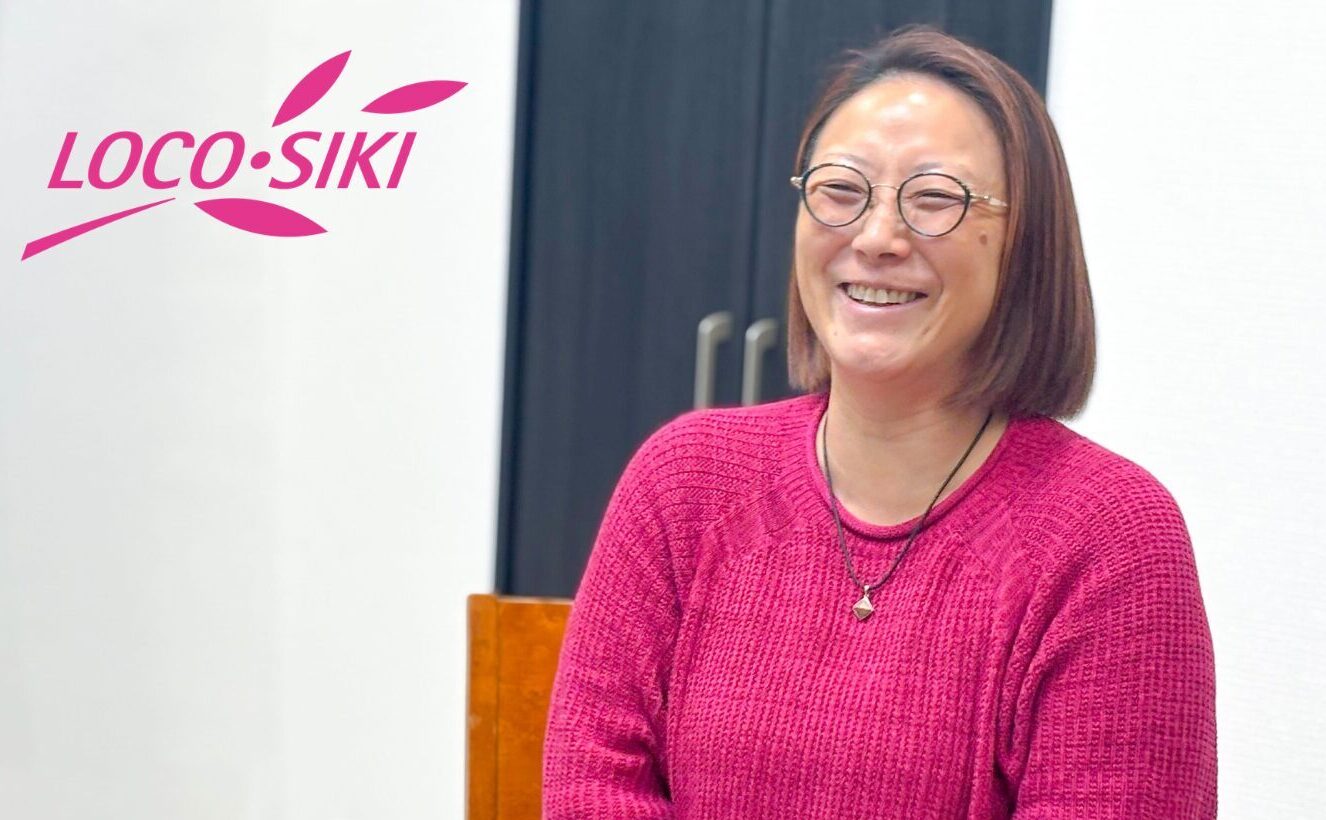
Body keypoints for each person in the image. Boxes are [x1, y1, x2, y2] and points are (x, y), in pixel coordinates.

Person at [542, 26, 1217, 819]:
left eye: (935, 199)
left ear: (1024, 244)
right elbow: (593, 790)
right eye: (840, 190)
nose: (876, 238)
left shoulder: (1111, 535)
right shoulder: (685, 479)